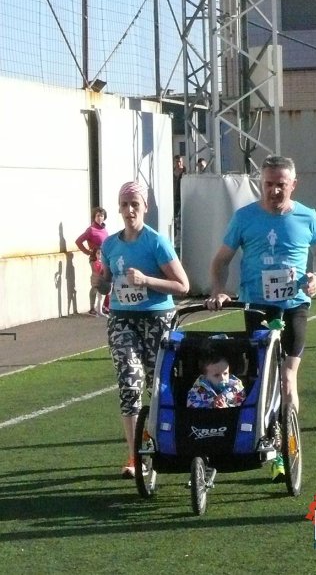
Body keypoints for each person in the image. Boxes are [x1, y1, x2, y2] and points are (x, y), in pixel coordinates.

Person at [205, 155, 316, 481]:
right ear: (262, 183)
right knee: (260, 378)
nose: (274, 191)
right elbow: (220, 261)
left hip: (294, 305)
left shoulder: (307, 216)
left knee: (288, 377)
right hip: (258, 307)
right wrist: (219, 290)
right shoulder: (245, 218)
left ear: (293, 184)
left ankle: (285, 448)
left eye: (281, 185)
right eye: (268, 184)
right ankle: (254, 436)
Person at [92, 181, 189, 478]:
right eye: (125, 204)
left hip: (157, 318)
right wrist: (100, 283)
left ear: (145, 207)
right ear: (118, 208)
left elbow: (183, 286)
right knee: (130, 380)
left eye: (135, 204)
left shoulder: (156, 242)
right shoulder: (110, 245)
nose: (130, 210)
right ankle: (135, 456)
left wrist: (147, 280)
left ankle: (168, 446)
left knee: (158, 386)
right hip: (122, 318)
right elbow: (108, 280)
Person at [75, 206, 109, 316]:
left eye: (102, 216)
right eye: (98, 216)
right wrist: (88, 252)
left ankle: (103, 307)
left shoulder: (104, 229)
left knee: (106, 282)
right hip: (95, 260)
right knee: (96, 283)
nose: (100, 218)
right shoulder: (91, 230)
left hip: (105, 259)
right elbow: (79, 241)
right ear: (94, 217)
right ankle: (92, 308)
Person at [90, 247, 107, 317]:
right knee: (97, 294)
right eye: (98, 253)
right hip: (97, 281)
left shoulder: (103, 262)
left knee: (101, 296)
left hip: (102, 281)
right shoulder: (94, 262)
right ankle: (94, 309)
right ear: (95, 254)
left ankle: (99, 310)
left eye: (101, 253)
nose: (99, 255)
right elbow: (98, 271)